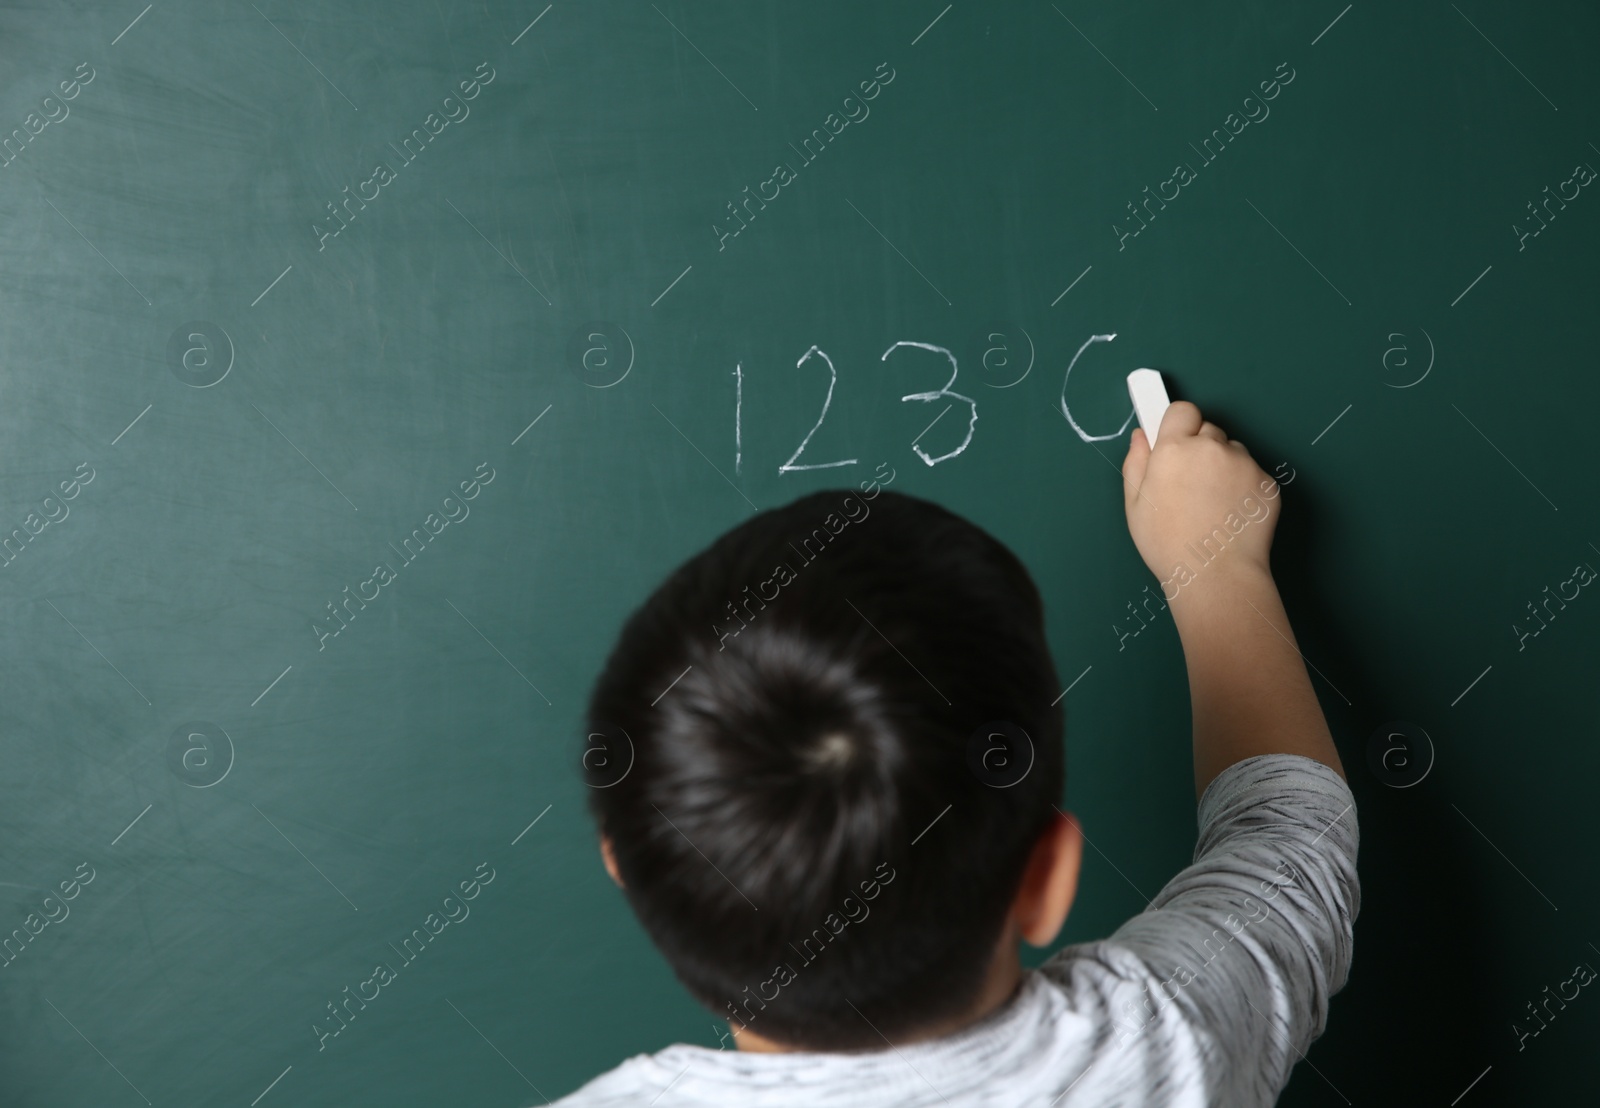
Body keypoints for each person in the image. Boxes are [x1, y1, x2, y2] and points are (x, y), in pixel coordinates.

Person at [556, 401, 1358, 1106]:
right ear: (1045, 883)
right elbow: (1291, 851)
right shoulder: (1167, 1051)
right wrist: (1215, 565)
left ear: (623, 861)